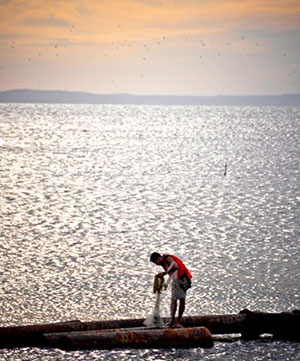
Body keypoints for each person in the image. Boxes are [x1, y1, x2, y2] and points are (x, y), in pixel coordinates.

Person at [150, 252, 192, 328]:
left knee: (181, 300)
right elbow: (171, 273)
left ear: (159, 258)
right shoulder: (163, 263)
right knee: (174, 300)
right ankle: (172, 320)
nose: (156, 264)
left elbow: (175, 266)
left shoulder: (167, 258)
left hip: (182, 279)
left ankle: (177, 321)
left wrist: (164, 273)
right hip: (176, 280)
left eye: (156, 262)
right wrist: (166, 283)